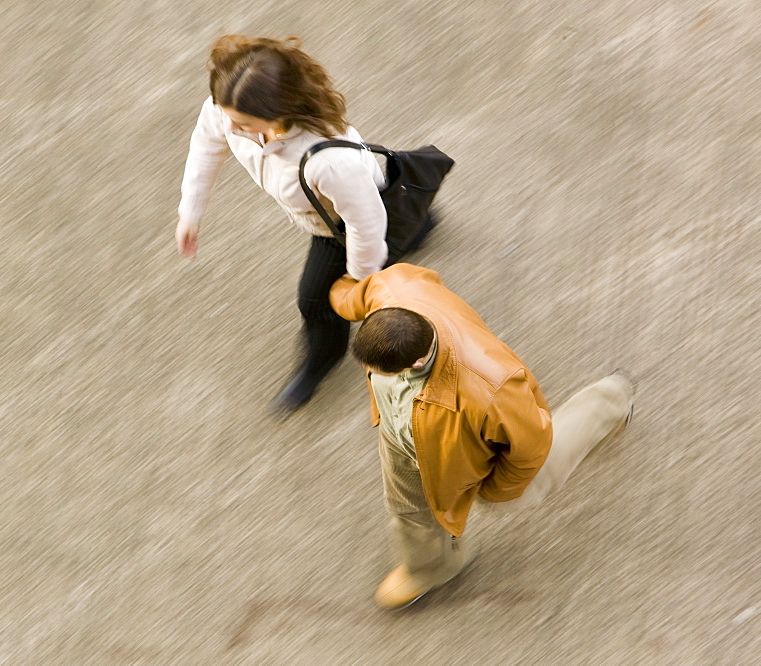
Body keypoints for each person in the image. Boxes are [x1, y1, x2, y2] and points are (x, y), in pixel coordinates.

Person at [329, 263, 635, 609]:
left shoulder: (492, 388)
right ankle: (431, 567)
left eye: (378, 370)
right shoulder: (394, 295)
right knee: (407, 506)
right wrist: (335, 294)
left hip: (473, 449)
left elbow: (530, 446)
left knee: (536, 472)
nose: (369, 374)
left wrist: (497, 490)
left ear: (415, 365)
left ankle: (608, 401)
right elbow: (371, 287)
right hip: (406, 435)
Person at [176, 35, 389, 413]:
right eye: (226, 115)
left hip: (335, 226)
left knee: (314, 300)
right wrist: (190, 211)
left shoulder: (329, 162)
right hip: (326, 210)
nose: (230, 126)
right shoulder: (232, 108)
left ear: (280, 112)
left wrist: (359, 281)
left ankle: (322, 358)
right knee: (401, 230)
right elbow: (207, 142)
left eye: (242, 123)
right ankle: (417, 226)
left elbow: (366, 224)